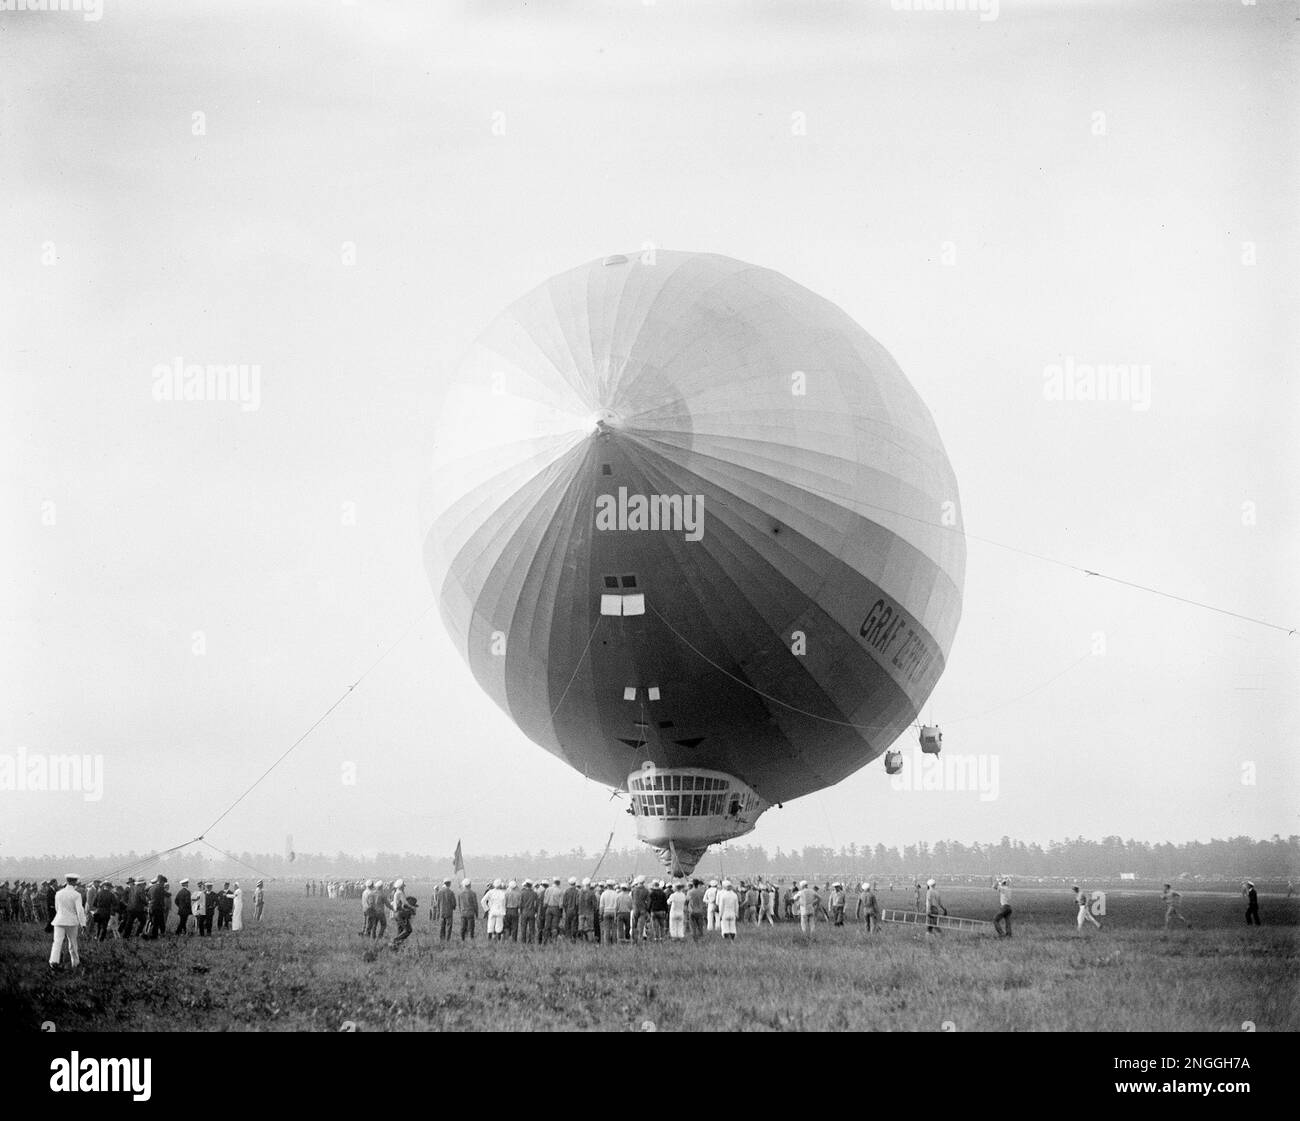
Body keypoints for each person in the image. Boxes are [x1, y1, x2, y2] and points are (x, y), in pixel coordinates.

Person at [49, 874, 88, 971]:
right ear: (75, 882)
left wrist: (62, 915)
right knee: (73, 943)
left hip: (59, 920)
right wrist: (83, 924)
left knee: (57, 942)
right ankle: (75, 963)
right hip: (71, 922)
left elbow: (57, 908)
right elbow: (80, 911)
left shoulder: (58, 893)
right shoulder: (76, 895)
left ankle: (54, 962)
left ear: (67, 881)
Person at [542, 877, 564, 943]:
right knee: (554, 926)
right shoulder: (560, 891)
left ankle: (545, 940)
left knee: (547, 925)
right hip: (556, 908)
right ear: (559, 883)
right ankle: (554, 940)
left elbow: (545, 902)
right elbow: (561, 905)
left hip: (548, 908)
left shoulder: (548, 889)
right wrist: (561, 913)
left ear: (553, 882)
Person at [630, 876, 650, 942]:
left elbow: (632, 899)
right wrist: (647, 908)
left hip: (635, 909)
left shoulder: (634, 890)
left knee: (633, 925)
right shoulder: (646, 890)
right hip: (642, 909)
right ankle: (640, 939)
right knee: (641, 927)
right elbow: (648, 901)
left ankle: (633, 939)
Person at [599, 880, 619, 945]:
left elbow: (601, 906)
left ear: (607, 886)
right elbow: (617, 905)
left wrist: (601, 914)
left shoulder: (603, 894)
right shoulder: (616, 894)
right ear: (613, 886)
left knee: (606, 929)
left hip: (606, 912)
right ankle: (614, 943)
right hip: (614, 912)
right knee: (614, 929)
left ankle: (607, 943)